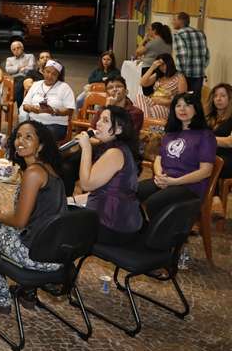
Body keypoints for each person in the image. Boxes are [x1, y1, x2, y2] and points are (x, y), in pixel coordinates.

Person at [0, 120, 66, 313]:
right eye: (18, 136)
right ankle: (28, 291)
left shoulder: (33, 173)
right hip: (56, 252)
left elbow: (20, 221)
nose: (20, 141)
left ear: (40, 145)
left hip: (36, 255)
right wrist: (0, 216)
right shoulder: (49, 169)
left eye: (28, 137)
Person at [138, 91, 215, 220]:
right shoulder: (170, 134)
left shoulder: (205, 135)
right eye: (178, 105)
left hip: (190, 186)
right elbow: (159, 158)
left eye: (187, 105)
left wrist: (175, 182)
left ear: (196, 109)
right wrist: (159, 176)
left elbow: (206, 171)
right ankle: (142, 230)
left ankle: (163, 236)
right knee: (132, 193)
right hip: (166, 180)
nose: (182, 109)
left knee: (154, 202)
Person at [76, 107, 144, 245]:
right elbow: (101, 193)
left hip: (112, 225)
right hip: (116, 218)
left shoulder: (115, 153)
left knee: (59, 224)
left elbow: (86, 184)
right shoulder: (117, 148)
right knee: (61, 208)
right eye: (100, 119)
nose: (98, 124)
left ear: (118, 130)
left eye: (105, 120)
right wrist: (68, 200)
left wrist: (86, 148)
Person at [20, 59, 75, 141]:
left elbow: (70, 110)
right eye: (47, 72)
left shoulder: (64, 87)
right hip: (34, 122)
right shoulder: (35, 85)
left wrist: (53, 111)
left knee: (42, 136)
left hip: (56, 125)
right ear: (43, 71)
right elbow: (25, 106)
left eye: (54, 74)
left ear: (58, 76)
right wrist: (32, 108)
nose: (49, 76)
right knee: (19, 133)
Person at [136, 53, 187, 120]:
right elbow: (142, 83)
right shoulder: (158, 75)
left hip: (167, 106)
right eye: (159, 65)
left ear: (169, 63)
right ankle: (146, 122)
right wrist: (152, 67)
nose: (162, 67)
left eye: (164, 64)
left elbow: (182, 97)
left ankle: (145, 123)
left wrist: (166, 102)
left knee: (149, 110)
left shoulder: (179, 77)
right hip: (153, 101)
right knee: (139, 97)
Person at [172, 11, 210, 95]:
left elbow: (182, 55)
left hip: (186, 74)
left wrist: (180, 74)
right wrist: (201, 67)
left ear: (181, 21)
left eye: (174, 19)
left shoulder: (178, 34)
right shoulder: (200, 33)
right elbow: (206, 54)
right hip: (199, 73)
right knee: (196, 101)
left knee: (184, 99)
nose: (172, 22)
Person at [136, 22, 172, 96]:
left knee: (147, 92)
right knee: (157, 91)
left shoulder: (152, 42)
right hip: (163, 69)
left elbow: (138, 52)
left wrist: (144, 39)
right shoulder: (168, 42)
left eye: (149, 30)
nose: (148, 32)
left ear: (154, 31)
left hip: (149, 68)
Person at [206, 83, 232, 180]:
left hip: (226, 156)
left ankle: (211, 194)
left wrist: (207, 139)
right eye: (215, 96)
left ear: (230, 98)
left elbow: (230, 142)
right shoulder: (209, 117)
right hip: (209, 153)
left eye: (223, 96)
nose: (218, 99)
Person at [5, 40, 35, 106]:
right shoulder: (9, 59)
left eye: (18, 48)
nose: (16, 50)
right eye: (14, 49)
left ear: (22, 48)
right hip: (15, 79)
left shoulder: (30, 56)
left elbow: (31, 68)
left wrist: (15, 69)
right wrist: (20, 67)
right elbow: (8, 70)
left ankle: (12, 98)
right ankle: (21, 107)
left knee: (22, 80)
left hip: (27, 78)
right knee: (20, 83)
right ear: (12, 51)